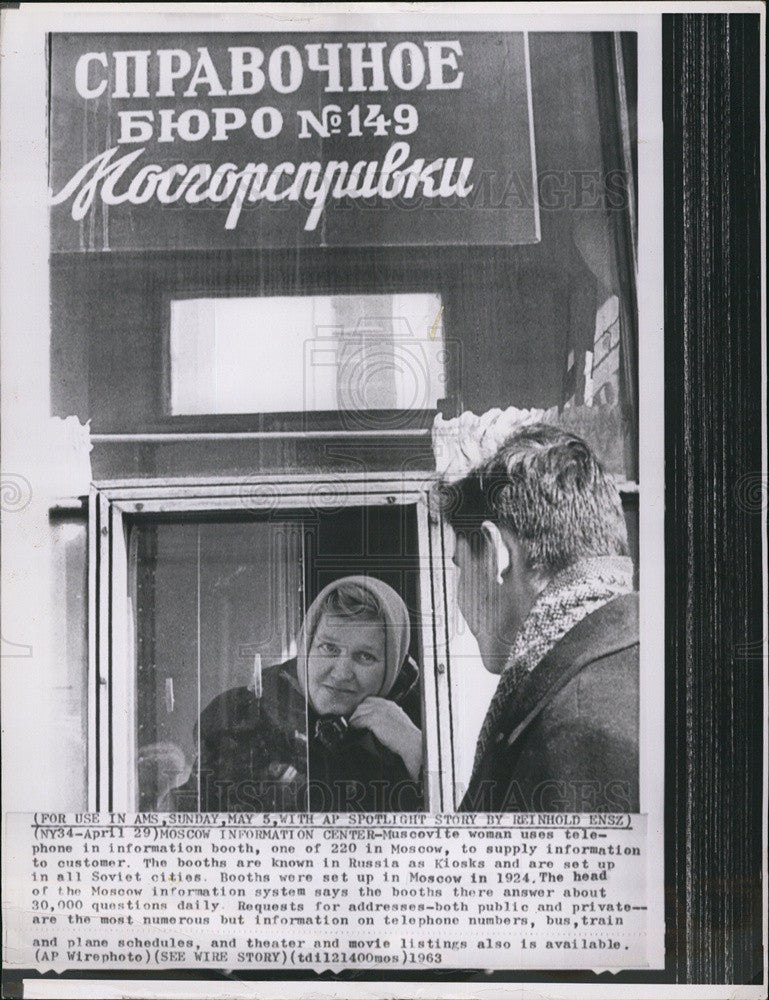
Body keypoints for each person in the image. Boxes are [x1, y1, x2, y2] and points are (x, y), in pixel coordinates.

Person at [439, 423, 639, 813]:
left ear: (496, 554)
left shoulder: (575, 730)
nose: (457, 597)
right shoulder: (647, 661)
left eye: (458, 567)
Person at [173, 576, 423, 813]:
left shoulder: (408, 731)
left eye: (365, 657)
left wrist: (416, 750)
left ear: (390, 669)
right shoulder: (240, 717)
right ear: (306, 646)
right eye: (329, 648)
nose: (342, 673)